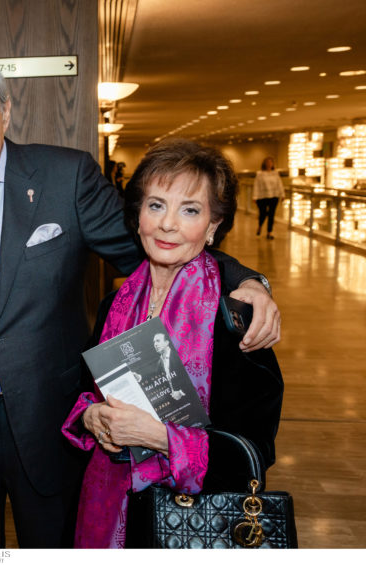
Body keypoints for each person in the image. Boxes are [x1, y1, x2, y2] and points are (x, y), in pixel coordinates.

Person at [0, 54, 280, 548]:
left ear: (6, 111)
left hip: (52, 427)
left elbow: (158, 240)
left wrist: (247, 280)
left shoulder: (65, 177)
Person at [62, 138, 284, 548]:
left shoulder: (234, 318)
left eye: (190, 210)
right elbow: (85, 391)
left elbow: (253, 454)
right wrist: (91, 417)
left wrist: (159, 437)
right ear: (138, 216)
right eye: (156, 205)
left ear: (213, 226)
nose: (167, 224)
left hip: (189, 526)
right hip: (107, 511)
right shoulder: (115, 304)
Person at [252, 156, 284, 239]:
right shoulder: (260, 174)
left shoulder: (275, 173)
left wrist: (282, 194)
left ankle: (269, 232)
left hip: (274, 196)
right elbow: (256, 185)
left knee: (271, 214)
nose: (269, 164)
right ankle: (260, 226)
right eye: (268, 162)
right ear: (264, 164)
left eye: (271, 162)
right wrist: (255, 196)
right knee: (263, 213)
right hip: (262, 197)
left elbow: (279, 184)